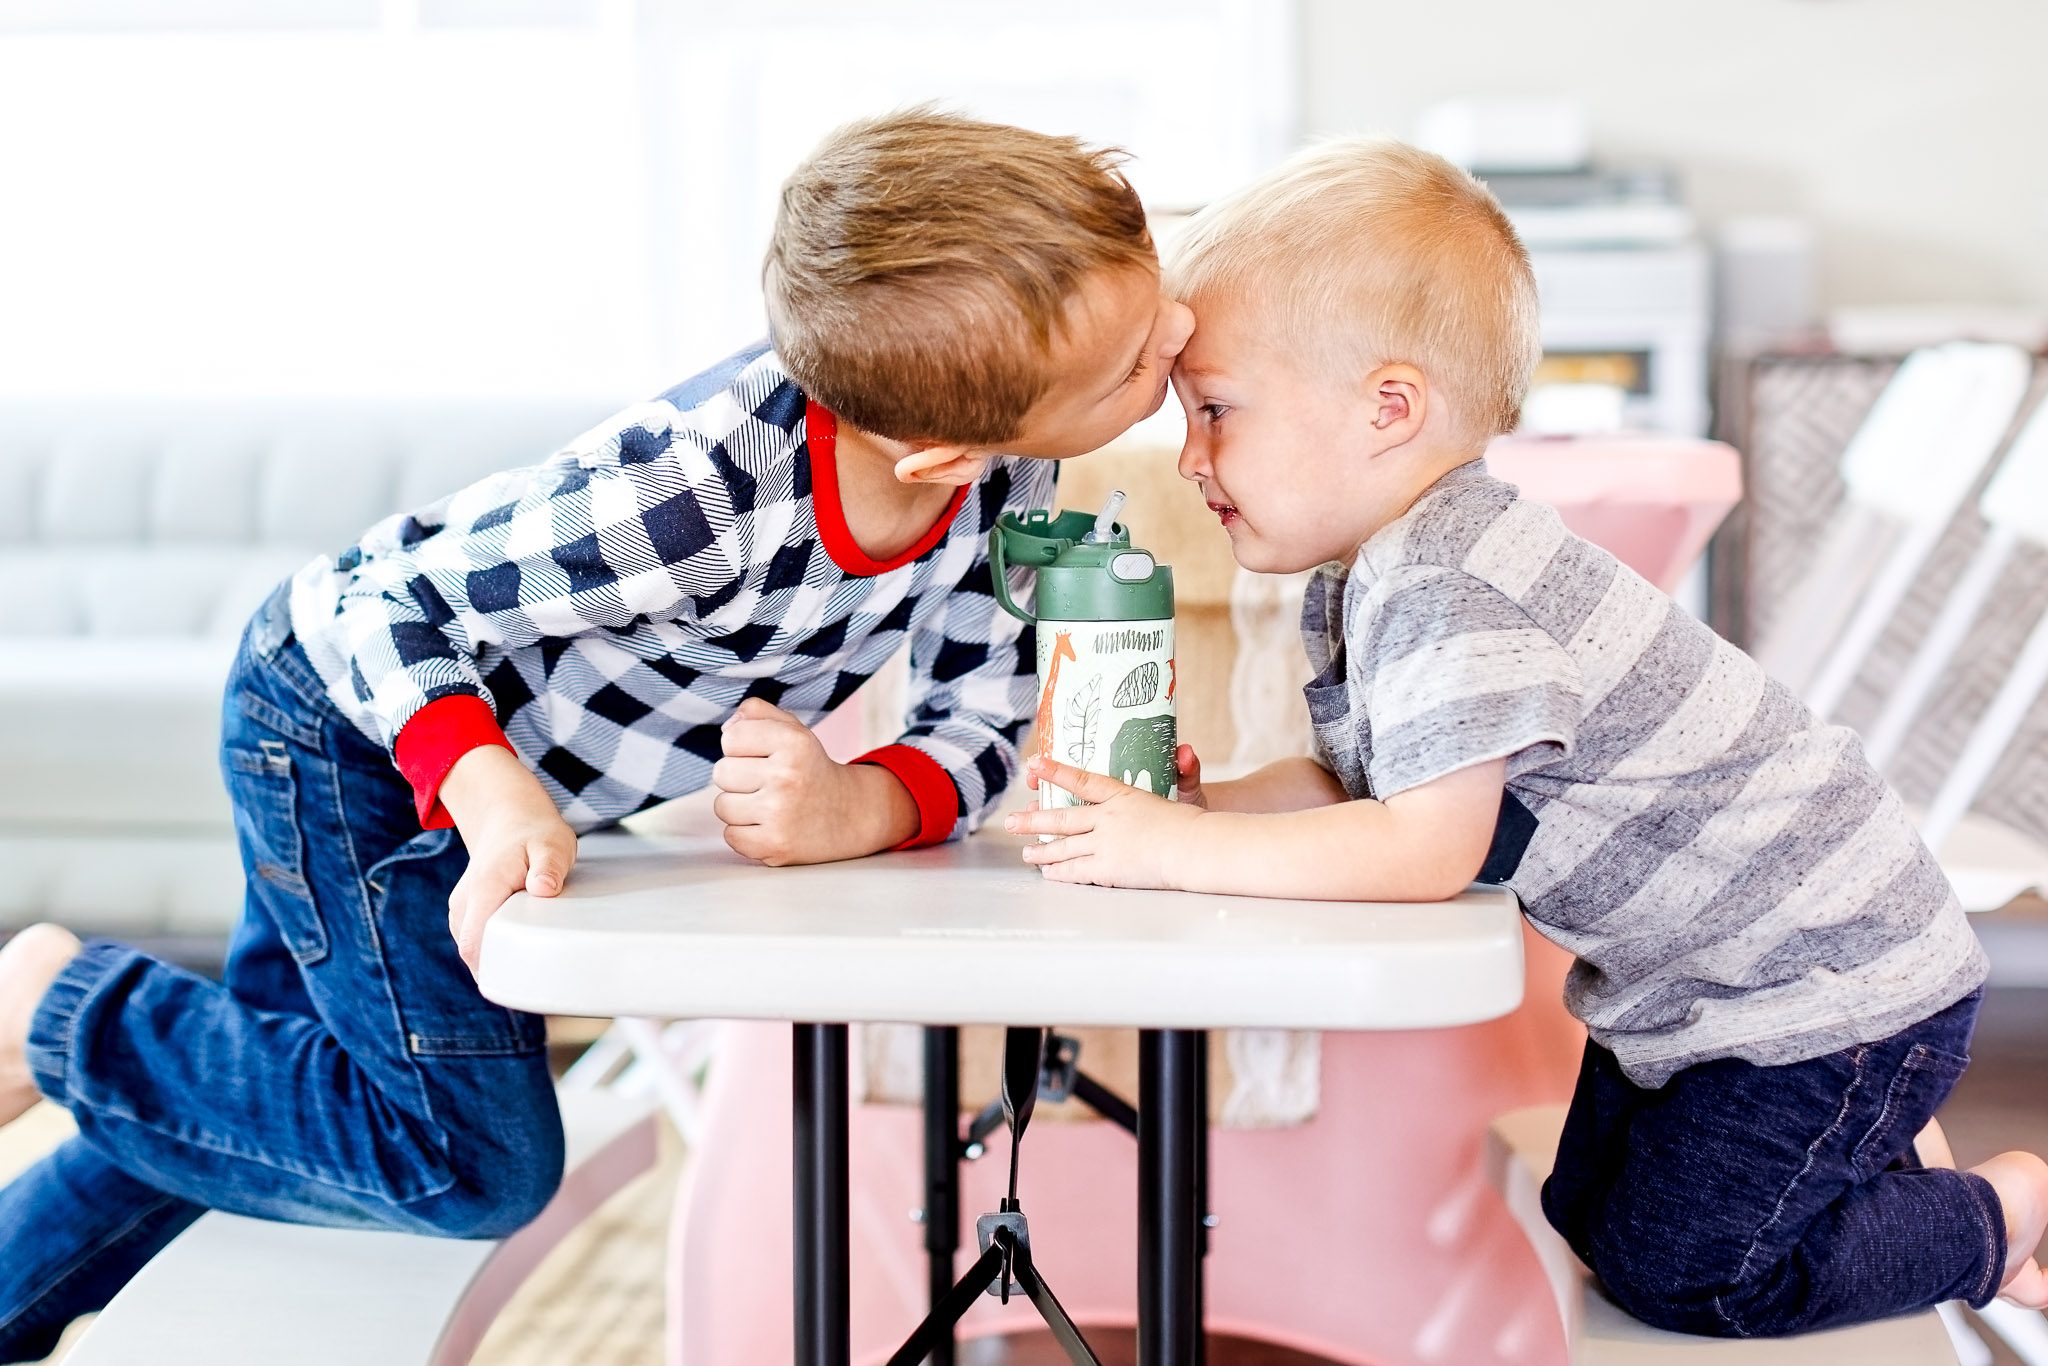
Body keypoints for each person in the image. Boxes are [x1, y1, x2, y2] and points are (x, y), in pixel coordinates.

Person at [0, 108, 1194, 1360]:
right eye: (1126, 366)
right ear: (942, 449)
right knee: (473, 1162)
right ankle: (56, 1006)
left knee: (258, 1093)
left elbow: (980, 708)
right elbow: (375, 606)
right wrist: (490, 787)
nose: (1171, 340)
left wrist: (867, 803)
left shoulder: (999, 471)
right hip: (351, 730)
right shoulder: (694, 494)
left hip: (448, 757)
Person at [1008, 135, 2048, 1336]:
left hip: (1820, 988)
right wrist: (1208, 807)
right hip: (1705, 997)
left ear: (1386, 409)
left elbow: (1421, 850)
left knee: (1688, 1274)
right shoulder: (1378, 570)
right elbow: (1364, 788)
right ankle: (1869, 1182)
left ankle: (1996, 1214)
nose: (1190, 456)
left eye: (1218, 412)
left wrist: (1168, 853)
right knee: (1587, 1211)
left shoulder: (1453, 585)